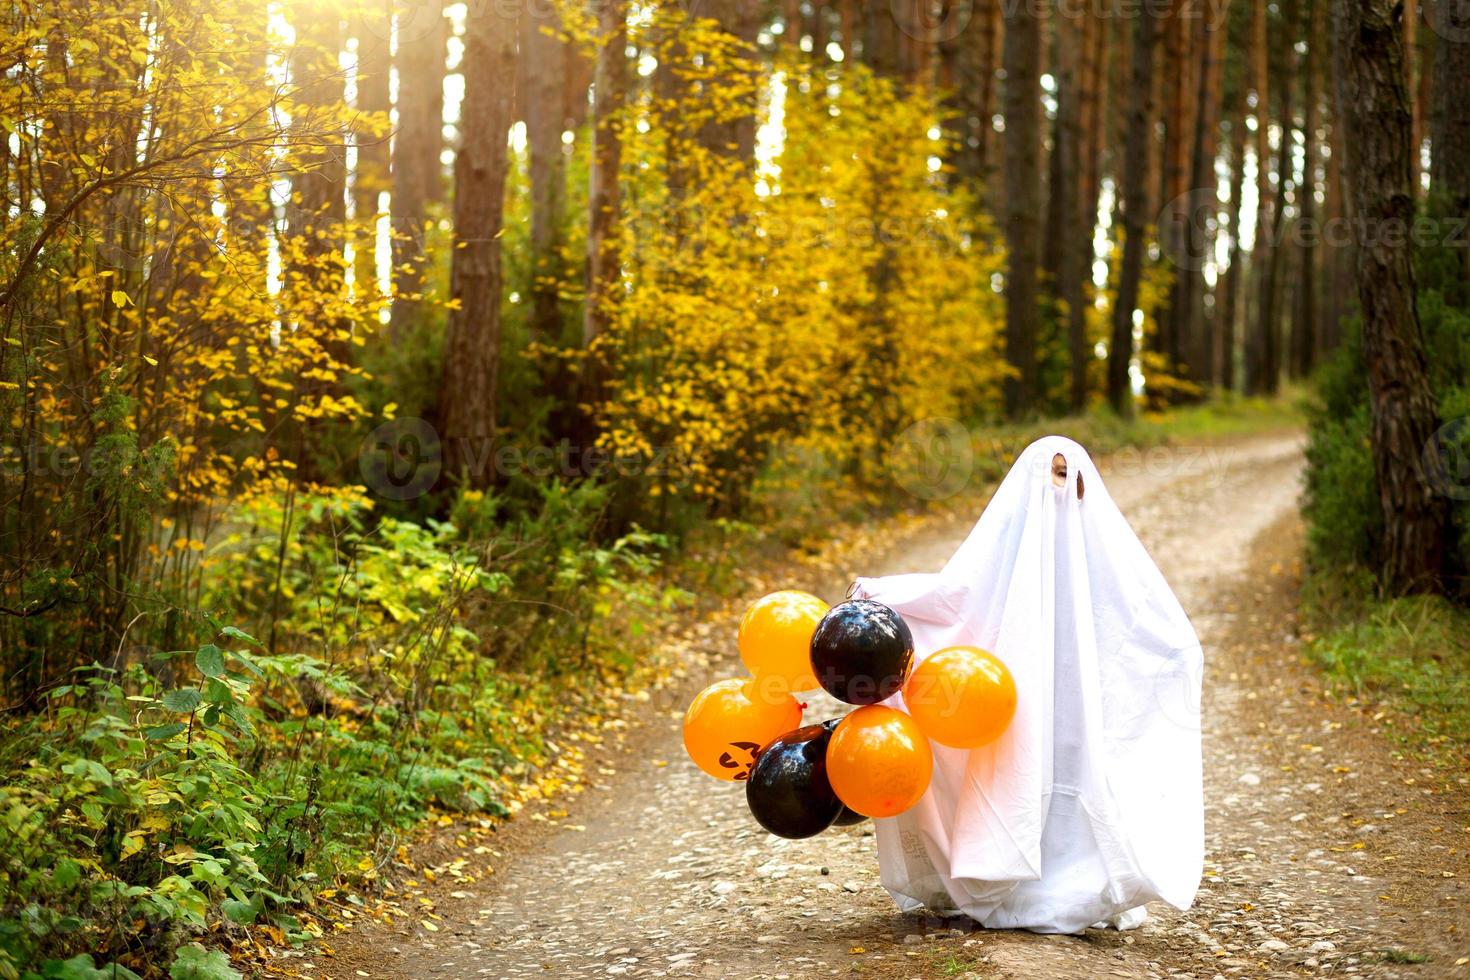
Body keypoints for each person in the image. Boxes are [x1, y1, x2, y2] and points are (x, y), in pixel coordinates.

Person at [849, 435, 1203, 934]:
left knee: (1072, 775)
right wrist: (882, 597)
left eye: (1072, 477)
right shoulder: (1009, 538)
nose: (1063, 488)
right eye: (1054, 475)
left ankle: (1075, 876)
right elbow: (955, 598)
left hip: (1075, 705)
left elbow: (1141, 614)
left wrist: (1178, 653)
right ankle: (1007, 874)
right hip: (1007, 703)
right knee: (1019, 775)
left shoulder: (1097, 546)